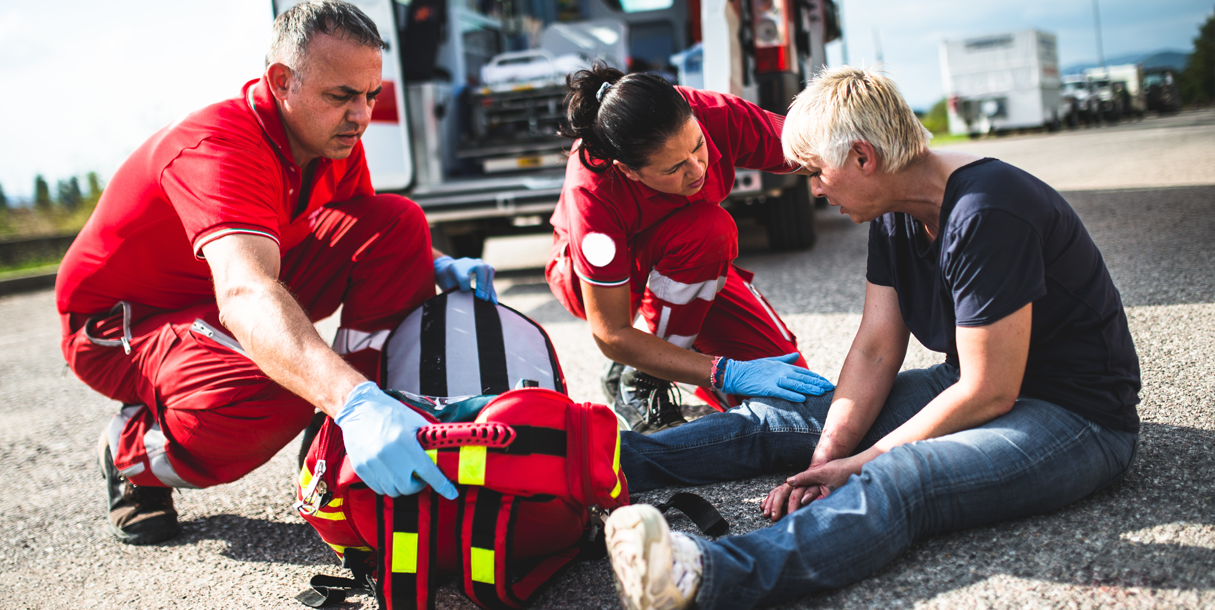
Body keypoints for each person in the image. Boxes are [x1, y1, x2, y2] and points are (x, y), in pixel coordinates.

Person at [602, 66, 1141, 610]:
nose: (813, 188)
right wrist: (827, 455)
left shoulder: (987, 210)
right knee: (797, 411)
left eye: (817, 172)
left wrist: (859, 463)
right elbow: (877, 346)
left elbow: (989, 391)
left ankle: (700, 576)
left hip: (1075, 415)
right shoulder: (894, 211)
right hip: (973, 385)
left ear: (863, 157)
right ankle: (598, 464)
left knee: (901, 474)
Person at [55, 0, 496, 546]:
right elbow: (245, 292)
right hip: (126, 325)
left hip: (223, 296)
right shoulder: (220, 147)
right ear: (282, 81)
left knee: (401, 224)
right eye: (341, 96)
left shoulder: (327, 137)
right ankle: (129, 451)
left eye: (370, 95)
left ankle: (355, 431)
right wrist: (346, 398)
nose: (361, 115)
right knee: (277, 384)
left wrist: (430, 263)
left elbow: (362, 231)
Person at [546, 63, 834, 433]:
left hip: (690, 260)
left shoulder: (714, 114)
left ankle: (655, 355)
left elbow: (820, 149)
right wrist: (722, 371)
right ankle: (643, 377)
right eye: (674, 168)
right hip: (599, 279)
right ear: (629, 171)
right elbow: (611, 331)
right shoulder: (594, 190)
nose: (698, 169)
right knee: (707, 230)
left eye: (698, 146)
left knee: (797, 403)